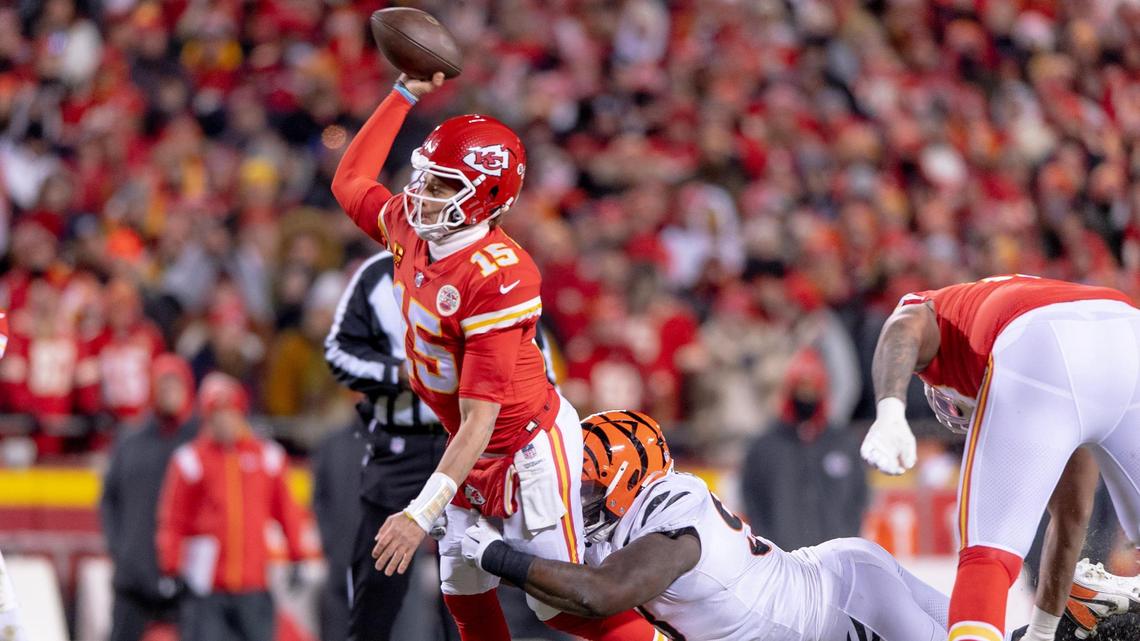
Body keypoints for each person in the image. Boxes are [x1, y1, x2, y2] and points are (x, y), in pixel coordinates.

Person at [331, 72, 658, 641]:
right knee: (464, 595)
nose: (420, 196)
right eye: (425, 179)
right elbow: (350, 180)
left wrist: (419, 512)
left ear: (485, 197)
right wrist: (402, 93)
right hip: (466, 444)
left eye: (440, 185)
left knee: (559, 607)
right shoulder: (411, 229)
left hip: (523, 442)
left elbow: (482, 415)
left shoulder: (501, 275)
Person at [461, 410, 1139, 641]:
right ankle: (1086, 616)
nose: (576, 498)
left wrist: (490, 551)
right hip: (824, 586)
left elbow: (599, 593)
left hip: (843, 603)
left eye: (585, 481)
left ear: (625, 473)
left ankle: (1093, 614)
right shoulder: (635, 514)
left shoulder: (671, 515)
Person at [859, 274, 1140, 641]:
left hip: (1035, 336)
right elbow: (1071, 516)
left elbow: (902, 327)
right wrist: (1041, 633)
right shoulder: (997, 307)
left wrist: (889, 409)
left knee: (987, 556)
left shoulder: (939, 313)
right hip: (1127, 324)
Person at [323, 249, 454, 641]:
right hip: (399, 447)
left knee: (473, 572)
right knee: (377, 579)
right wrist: (393, 372)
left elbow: (538, 364)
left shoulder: (487, 266)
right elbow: (338, 352)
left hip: (467, 442)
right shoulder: (377, 273)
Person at [155, 372, 307, 641]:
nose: (224, 420)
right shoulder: (191, 460)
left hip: (254, 583)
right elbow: (173, 519)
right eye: (216, 414)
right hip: (207, 585)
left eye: (230, 412)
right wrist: (171, 567)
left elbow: (287, 512)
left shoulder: (267, 457)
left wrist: (297, 555)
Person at [100, 354, 198, 641]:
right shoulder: (130, 439)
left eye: (174, 384)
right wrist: (120, 550)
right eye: (162, 384)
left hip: (187, 576)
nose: (168, 392)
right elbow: (109, 500)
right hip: (135, 573)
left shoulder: (200, 439)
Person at [739, 348, 867, 550]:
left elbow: (859, 498)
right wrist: (768, 542)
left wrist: (846, 536)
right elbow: (752, 499)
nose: (806, 397)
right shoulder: (765, 447)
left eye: (812, 389)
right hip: (783, 558)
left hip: (833, 557)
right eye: (801, 389)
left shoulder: (844, 444)